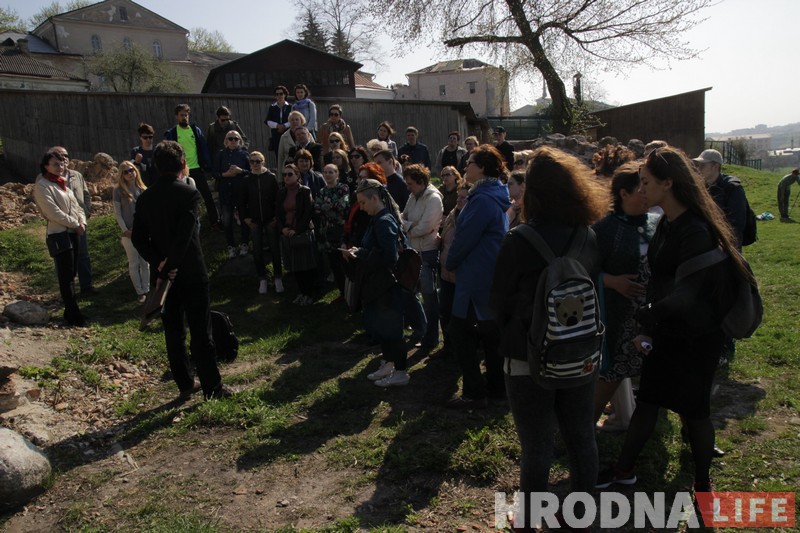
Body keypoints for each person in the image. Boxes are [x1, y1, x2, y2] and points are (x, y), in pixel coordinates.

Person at [596, 146, 751, 500]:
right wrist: (648, 327)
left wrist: (644, 316)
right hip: (667, 330)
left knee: (694, 414)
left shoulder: (695, 229)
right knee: (648, 402)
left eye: (647, 182)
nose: (642, 189)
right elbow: (660, 281)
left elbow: (689, 294)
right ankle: (623, 470)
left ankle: (702, 484)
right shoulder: (668, 223)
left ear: (668, 183)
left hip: (696, 338)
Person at [491, 146, 607, 532]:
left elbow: (498, 302)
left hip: (526, 356)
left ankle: (528, 519)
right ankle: (581, 515)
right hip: (580, 352)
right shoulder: (588, 236)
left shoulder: (518, 240)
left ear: (534, 192)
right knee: (582, 437)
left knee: (537, 445)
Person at [131, 141, 232, 401]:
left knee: (174, 331)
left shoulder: (145, 198)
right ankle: (212, 387)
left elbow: (138, 238)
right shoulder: (188, 193)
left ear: (156, 166)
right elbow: (185, 236)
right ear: (183, 164)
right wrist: (172, 265)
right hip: (190, 271)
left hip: (163, 276)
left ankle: (185, 382)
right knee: (201, 330)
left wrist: (160, 264)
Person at [591, 162, 659, 431]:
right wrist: (610, 281)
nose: (647, 193)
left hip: (650, 318)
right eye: (641, 188)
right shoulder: (603, 228)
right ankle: (581, 432)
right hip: (616, 318)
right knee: (611, 374)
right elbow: (582, 270)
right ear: (623, 194)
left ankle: (637, 426)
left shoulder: (657, 224)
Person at [444, 145, 510, 408]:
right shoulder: (493, 193)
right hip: (488, 272)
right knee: (490, 334)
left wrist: (450, 262)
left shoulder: (482, 199)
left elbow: (465, 237)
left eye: (469, 162)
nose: (465, 167)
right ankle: (497, 389)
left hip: (476, 276)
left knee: (460, 332)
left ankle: (474, 393)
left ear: (481, 167)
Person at [342, 179, 410, 387]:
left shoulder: (384, 221)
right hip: (376, 284)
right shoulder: (376, 219)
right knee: (382, 327)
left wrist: (361, 254)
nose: (361, 208)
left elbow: (390, 257)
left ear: (374, 198)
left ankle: (401, 371)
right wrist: (361, 251)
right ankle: (388, 363)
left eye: (363, 203)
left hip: (386, 285)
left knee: (392, 330)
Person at [32, 151, 87, 326]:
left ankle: (70, 311)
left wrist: (82, 222)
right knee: (65, 275)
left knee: (72, 273)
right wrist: (75, 224)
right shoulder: (43, 186)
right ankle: (74, 313)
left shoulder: (63, 185)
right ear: (46, 166)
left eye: (62, 163)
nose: (60, 167)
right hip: (59, 234)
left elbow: (77, 207)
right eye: (55, 164)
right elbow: (53, 212)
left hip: (73, 232)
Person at [401, 164, 443, 350]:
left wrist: (408, 226)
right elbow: (401, 217)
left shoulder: (433, 199)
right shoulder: (413, 196)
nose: (408, 187)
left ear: (421, 181)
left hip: (428, 252)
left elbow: (425, 228)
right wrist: (411, 225)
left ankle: (431, 338)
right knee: (409, 292)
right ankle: (421, 329)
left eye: (410, 183)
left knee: (429, 297)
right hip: (413, 251)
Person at [50, 146, 96, 295]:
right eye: (59, 156)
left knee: (83, 254)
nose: (63, 159)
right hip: (61, 224)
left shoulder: (76, 175)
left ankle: (86, 286)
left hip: (80, 222)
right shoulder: (47, 179)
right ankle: (69, 291)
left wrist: (86, 211)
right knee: (64, 259)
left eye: (65, 156)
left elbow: (86, 194)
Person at [164, 104, 217, 226]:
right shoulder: (173, 133)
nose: (184, 117)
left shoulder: (195, 130)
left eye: (186, 115)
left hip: (196, 168)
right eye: (182, 115)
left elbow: (203, 148)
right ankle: (184, 224)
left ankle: (215, 222)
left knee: (207, 196)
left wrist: (207, 164)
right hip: (181, 171)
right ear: (177, 116)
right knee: (182, 198)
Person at [435, 182, 471, 359]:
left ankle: (462, 350)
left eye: (464, 197)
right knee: (444, 310)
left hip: (460, 275)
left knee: (460, 316)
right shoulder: (452, 214)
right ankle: (448, 346)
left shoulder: (471, 218)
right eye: (459, 197)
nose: (459, 200)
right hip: (445, 271)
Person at [276, 163, 318, 305]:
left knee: (306, 265)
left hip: (302, 232)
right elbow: (278, 214)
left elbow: (308, 213)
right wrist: (282, 229)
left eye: (290, 174)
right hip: (287, 232)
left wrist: (297, 230)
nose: (286, 177)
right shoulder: (281, 192)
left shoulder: (304, 191)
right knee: (294, 266)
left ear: (297, 175)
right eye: (284, 174)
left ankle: (309, 293)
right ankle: (301, 292)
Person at [239, 151, 280, 295]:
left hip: (270, 219)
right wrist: (245, 218)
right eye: (252, 161)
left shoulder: (271, 177)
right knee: (257, 250)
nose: (255, 164)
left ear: (263, 162)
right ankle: (262, 279)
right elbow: (242, 202)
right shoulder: (246, 180)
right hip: (254, 220)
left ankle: (278, 277)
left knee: (275, 248)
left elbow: (277, 198)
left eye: (258, 161)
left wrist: (276, 217)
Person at [694, 148, 748, 248]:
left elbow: (736, 224)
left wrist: (727, 246)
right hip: (707, 244)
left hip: (728, 245)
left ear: (715, 166)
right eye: (698, 165)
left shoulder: (733, 188)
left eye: (703, 165)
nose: (698, 169)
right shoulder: (701, 187)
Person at [113, 161, 150, 303]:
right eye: (126, 172)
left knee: (145, 262)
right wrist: (125, 230)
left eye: (131, 170)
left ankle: (147, 289)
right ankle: (140, 292)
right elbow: (118, 213)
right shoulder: (118, 191)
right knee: (134, 262)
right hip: (128, 232)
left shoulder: (143, 189)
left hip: (143, 231)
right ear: (122, 175)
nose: (129, 174)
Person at [213, 130, 250, 258]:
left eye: (236, 138)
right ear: (226, 141)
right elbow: (214, 173)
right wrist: (225, 174)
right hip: (225, 192)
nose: (233, 141)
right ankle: (231, 246)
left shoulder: (244, 154)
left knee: (244, 219)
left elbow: (251, 172)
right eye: (230, 138)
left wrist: (240, 171)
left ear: (240, 141)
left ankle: (245, 244)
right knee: (227, 221)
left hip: (241, 192)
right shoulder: (220, 154)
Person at [316, 164, 350, 300]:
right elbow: (317, 208)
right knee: (334, 264)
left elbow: (344, 205)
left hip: (342, 231)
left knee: (345, 264)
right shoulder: (321, 191)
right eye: (325, 172)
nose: (328, 175)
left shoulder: (343, 188)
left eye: (331, 172)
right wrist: (333, 206)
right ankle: (342, 292)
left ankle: (351, 293)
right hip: (327, 232)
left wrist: (327, 207)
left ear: (337, 174)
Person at [265, 85, 292, 158]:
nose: (279, 96)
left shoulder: (290, 107)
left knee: (289, 153)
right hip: (276, 134)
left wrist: (284, 126)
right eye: (277, 94)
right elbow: (268, 121)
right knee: (278, 154)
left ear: (285, 94)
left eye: (281, 94)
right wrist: (277, 126)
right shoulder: (272, 107)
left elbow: (292, 120)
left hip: (288, 133)